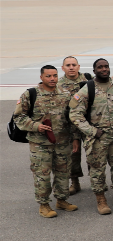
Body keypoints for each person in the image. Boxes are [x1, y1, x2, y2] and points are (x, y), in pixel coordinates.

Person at [69, 58, 113, 215]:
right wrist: (91, 131)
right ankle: (101, 200)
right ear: (94, 70)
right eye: (100, 67)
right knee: (97, 170)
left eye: (106, 66)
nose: (104, 69)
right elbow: (74, 114)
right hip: (98, 137)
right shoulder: (87, 89)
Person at [14, 65, 79, 217]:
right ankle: (44, 204)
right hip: (40, 143)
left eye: (55, 76)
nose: (52, 79)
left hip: (62, 142)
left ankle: (62, 200)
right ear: (41, 77)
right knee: (42, 174)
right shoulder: (30, 94)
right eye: (48, 76)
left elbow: (72, 118)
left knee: (63, 173)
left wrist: (75, 138)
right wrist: (36, 126)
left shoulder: (65, 94)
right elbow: (19, 116)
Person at [58, 56, 89, 195]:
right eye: (68, 65)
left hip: (88, 124)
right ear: (63, 68)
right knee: (73, 156)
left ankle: (97, 181)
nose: (71, 67)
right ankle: (75, 183)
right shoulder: (58, 85)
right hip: (69, 126)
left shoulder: (89, 80)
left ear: (78, 66)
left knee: (94, 155)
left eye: (74, 65)